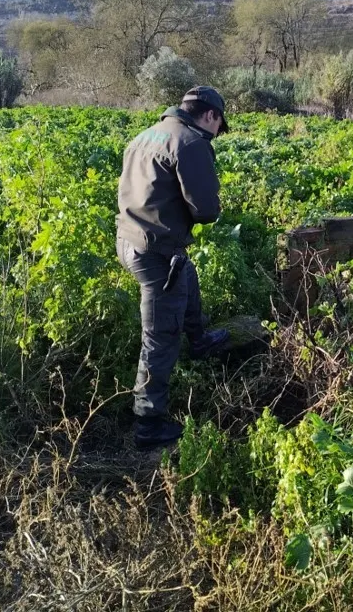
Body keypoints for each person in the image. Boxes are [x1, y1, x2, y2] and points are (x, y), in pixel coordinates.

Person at [116, 86, 231, 448]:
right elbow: (206, 210)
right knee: (160, 335)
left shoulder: (147, 134)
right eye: (219, 125)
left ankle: (198, 341)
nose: (217, 133)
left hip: (130, 240)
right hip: (156, 251)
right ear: (210, 115)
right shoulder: (191, 142)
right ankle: (148, 425)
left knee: (187, 275)